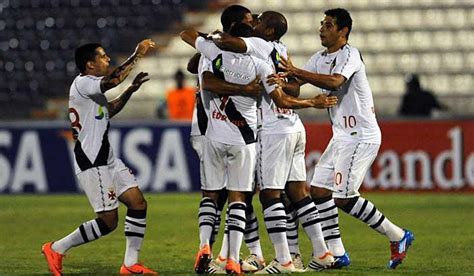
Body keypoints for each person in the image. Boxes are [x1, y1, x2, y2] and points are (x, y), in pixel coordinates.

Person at [277, 8, 415, 269]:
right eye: (321, 24)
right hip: (341, 137)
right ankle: (337, 252)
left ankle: (397, 235)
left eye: (328, 25)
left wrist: (296, 70)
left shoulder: (350, 55)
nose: (321, 28)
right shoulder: (319, 57)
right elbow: (296, 85)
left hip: (360, 136)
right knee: (319, 190)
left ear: (343, 32)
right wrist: (277, 80)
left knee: (343, 197)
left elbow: (334, 81)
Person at [211, 11, 337, 273]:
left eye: (257, 22)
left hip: (273, 129)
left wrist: (208, 38)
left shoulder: (259, 43)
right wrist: (280, 81)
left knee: (269, 194)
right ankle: (323, 252)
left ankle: (283, 260)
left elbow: (227, 42)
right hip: (293, 126)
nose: (252, 24)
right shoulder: (281, 49)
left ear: (268, 31)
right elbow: (294, 88)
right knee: (299, 193)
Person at [41, 39, 157, 275]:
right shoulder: (84, 83)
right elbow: (114, 79)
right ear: (90, 64)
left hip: (109, 159)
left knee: (138, 203)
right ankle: (56, 248)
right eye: (102, 56)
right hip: (93, 161)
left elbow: (108, 110)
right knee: (108, 222)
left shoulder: (90, 88)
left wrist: (130, 91)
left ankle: (130, 264)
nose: (107, 60)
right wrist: (137, 53)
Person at [181, 23, 271, 274]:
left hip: (212, 136)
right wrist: (310, 101)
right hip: (243, 139)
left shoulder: (213, 54)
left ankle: (205, 246)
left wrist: (208, 37)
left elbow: (188, 43)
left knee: (210, 196)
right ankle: (232, 257)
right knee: (239, 198)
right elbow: (282, 97)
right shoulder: (259, 62)